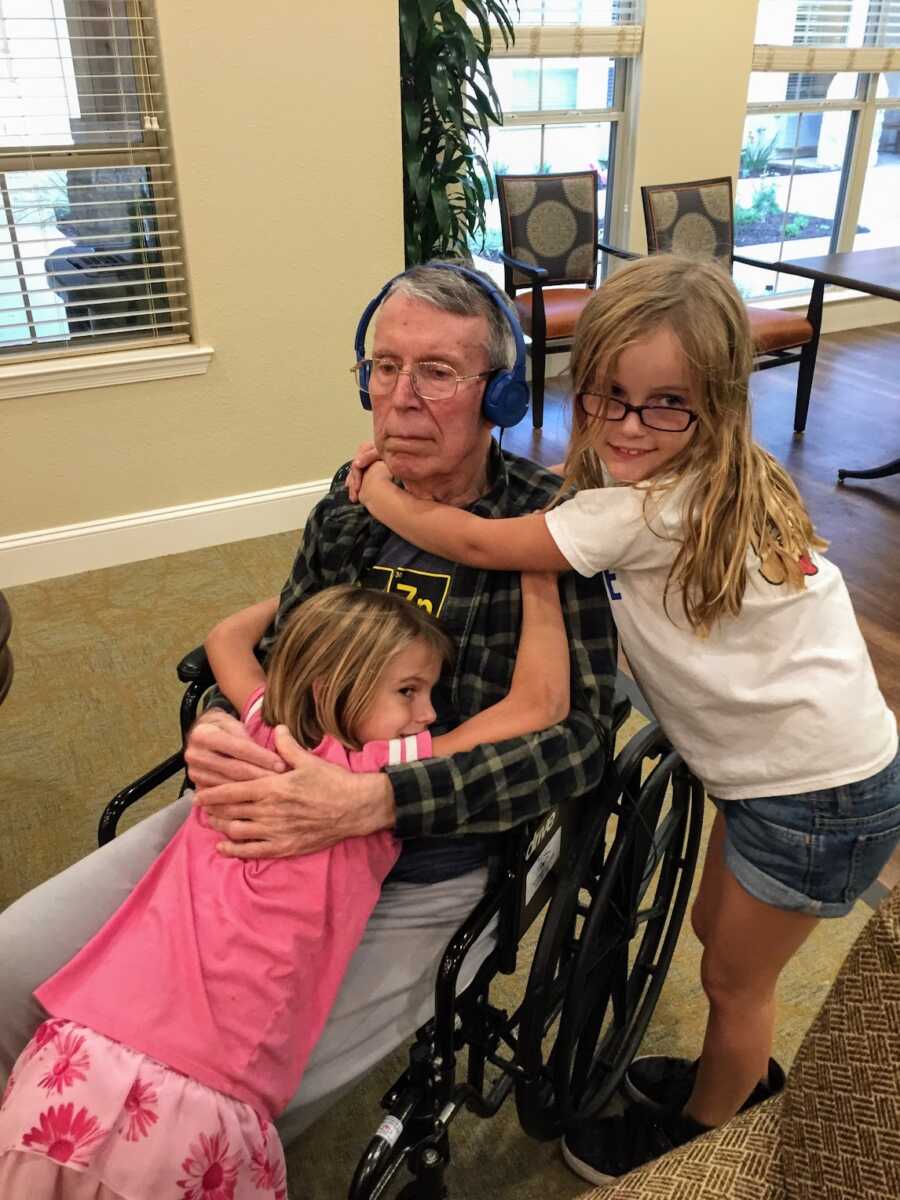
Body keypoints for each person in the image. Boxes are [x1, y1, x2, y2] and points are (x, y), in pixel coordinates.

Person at [0, 263, 618, 1153]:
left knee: (219, 1094)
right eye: (384, 366)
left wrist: (376, 801)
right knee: (14, 967)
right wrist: (218, 725)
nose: (401, 398)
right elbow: (286, 654)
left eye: (438, 372)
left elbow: (577, 743)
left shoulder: (553, 525)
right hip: (256, 820)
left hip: (429, 856)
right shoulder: (353, 500)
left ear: (501, 394)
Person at [355, 253, 900, 1184]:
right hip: (799, 765)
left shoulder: (644, 512)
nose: (631, 426)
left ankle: (705, 1127)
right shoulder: (741, 475)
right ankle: (736, 1073)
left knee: (736, 980)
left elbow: (483, 540)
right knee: (707, 928)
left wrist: (374, 490)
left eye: (667, 403)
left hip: (814, 794)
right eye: (609, 395)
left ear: (720, 403)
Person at [0, 577, 570, 1197]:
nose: (429, 712)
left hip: (80, 1047)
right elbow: (537, 706)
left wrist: (307, 599)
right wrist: (539, 572)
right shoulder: (377, 766)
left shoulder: (259, 730)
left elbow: (226, 638)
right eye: (410, 691)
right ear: (332, 689)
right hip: (205, 1089)